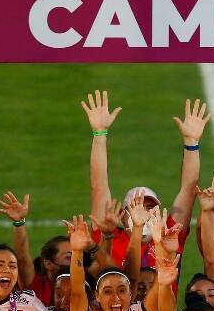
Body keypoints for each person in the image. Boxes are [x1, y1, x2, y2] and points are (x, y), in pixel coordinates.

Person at [84, 91, 206, 269]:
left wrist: (191, 142)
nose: (143, 213)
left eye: (150, 207)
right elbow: (99, 187)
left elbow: (189, 190)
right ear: (122, 216)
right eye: (136, 206)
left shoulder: (170, 236)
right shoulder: (108, 235)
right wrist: (99, 133)